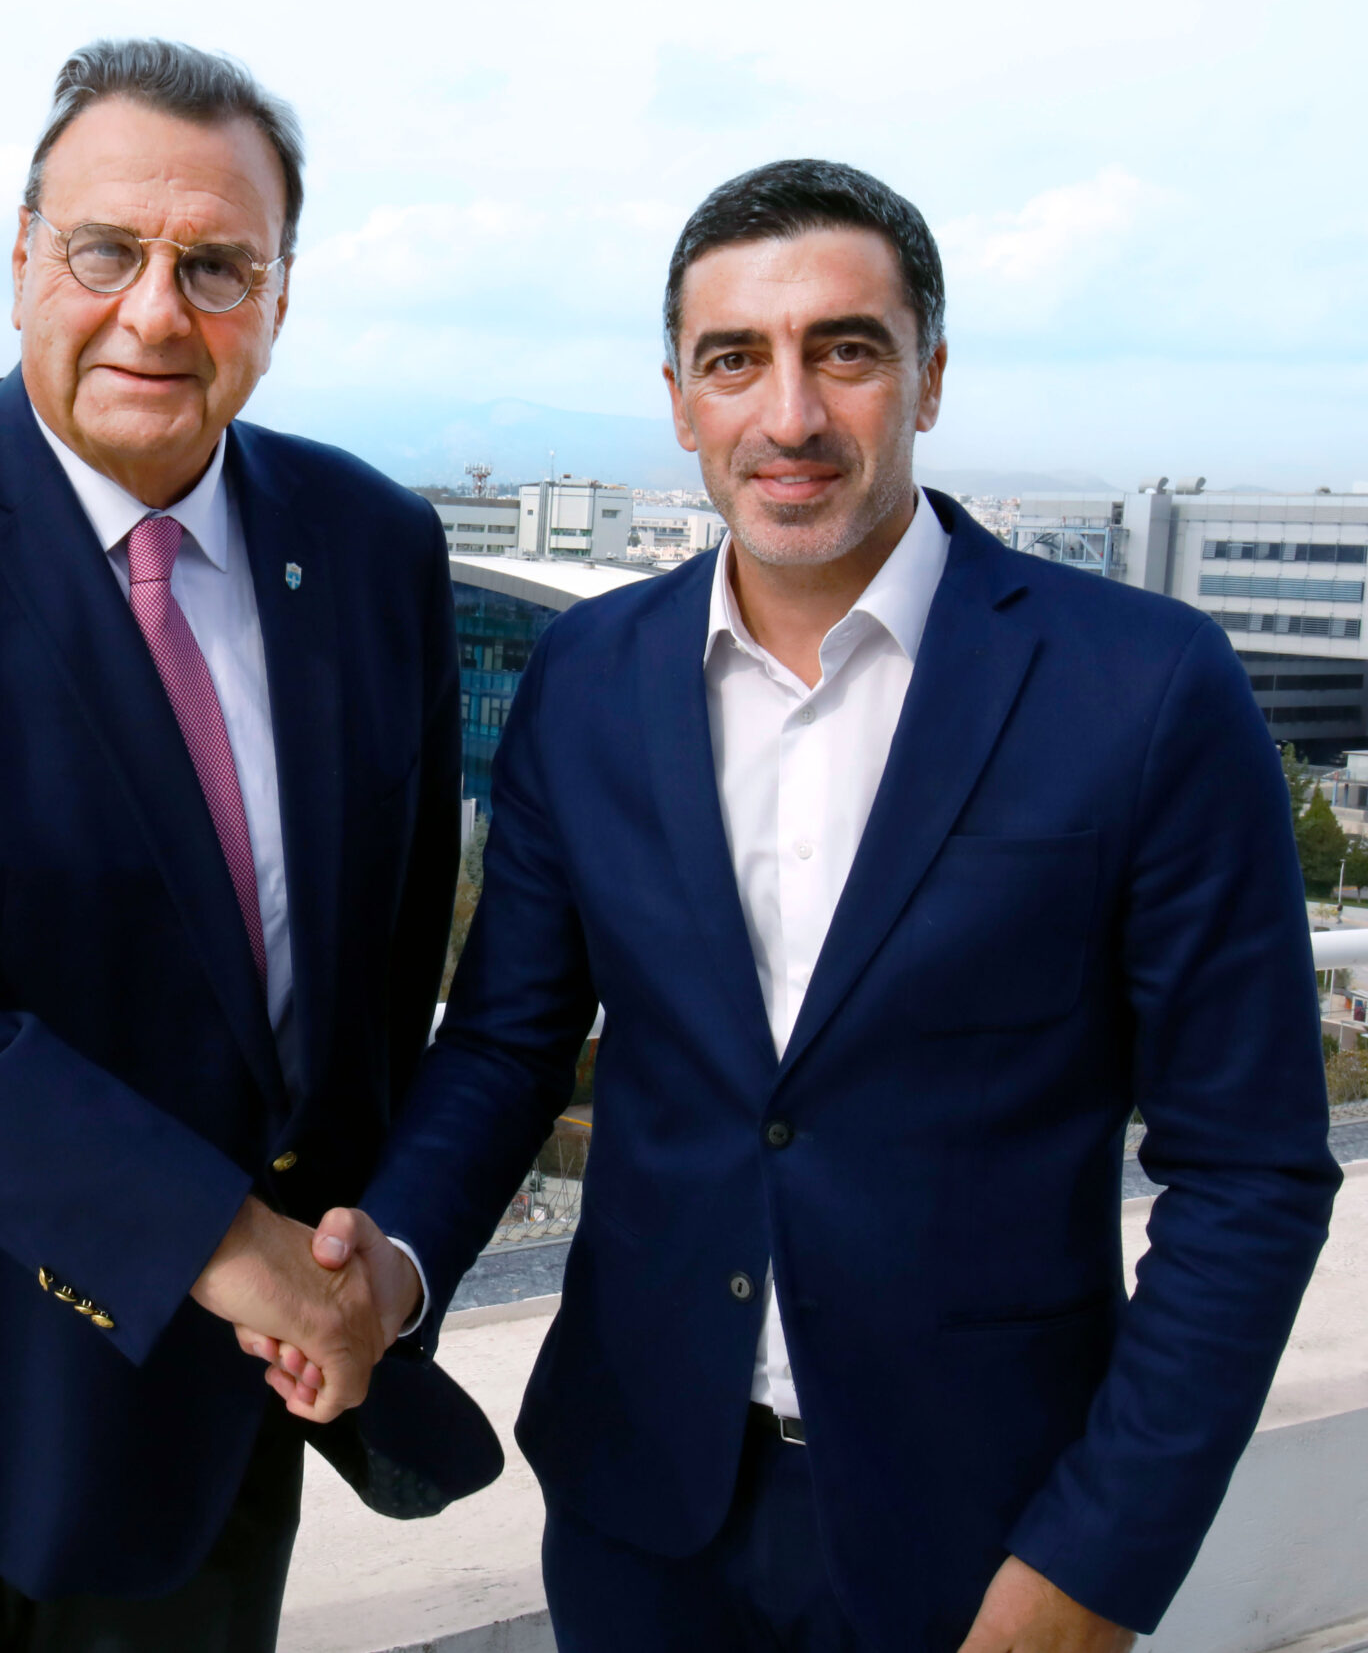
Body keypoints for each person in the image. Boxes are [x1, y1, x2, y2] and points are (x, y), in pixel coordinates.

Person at [282, 160, 1343, 1649]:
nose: (789, 415)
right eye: (735, 360)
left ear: (931, 376)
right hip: (643, 1515)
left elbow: (1251, 1173)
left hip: (989, 1532)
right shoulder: (591, 676)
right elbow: (510, 1042)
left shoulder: (1147, 689)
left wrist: (1096, 1567)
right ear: (678, 400)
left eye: (845, 350)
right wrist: (388, 1268)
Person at [0, 38, 489, 1652]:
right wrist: (224, 1246)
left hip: (210, 1421)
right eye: (107, 250)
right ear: (20, 261)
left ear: (279, 297)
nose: (155, 312)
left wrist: (368, 1268)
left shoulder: (374, 550)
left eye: (216, 266)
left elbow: (384, 979)